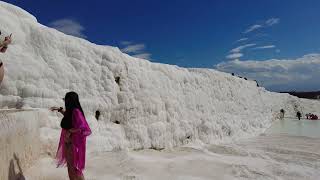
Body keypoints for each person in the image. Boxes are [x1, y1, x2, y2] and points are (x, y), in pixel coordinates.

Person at [51, 92, 91, 180]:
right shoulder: (72, 112)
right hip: (68, 144)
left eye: (66, 100)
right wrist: (60, 110)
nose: (65, 102)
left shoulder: (76, 112)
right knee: (71, 168)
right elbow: (70, 118)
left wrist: (70, 131)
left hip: (73, 145)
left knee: (74, 169)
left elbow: (85, 129)